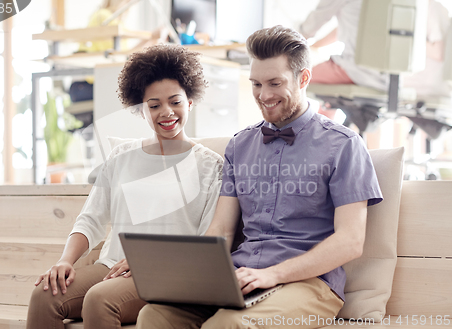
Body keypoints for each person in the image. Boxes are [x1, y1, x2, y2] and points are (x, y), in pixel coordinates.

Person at [136, 25, 383, 329]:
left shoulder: (344, 145)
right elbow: (222, 230)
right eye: (256, 84)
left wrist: (274, 274)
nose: (263, 96)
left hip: (310, 284)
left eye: (275, 83)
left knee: (226, 325)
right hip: (242, 276)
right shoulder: (240, 146)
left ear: (303, 78)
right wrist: (192, 274)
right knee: (154, 316)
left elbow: (350, 241)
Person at [26, 44, 223, 329]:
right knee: (44, 294)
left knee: (100, 299)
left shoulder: (211, 166)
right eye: (154, 105)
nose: (166, 112)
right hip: (110, 266)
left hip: (165, 273)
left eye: (175, 101)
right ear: (141, 111)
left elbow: (207, 240)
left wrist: (149, 260)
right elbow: (91, 219)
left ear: (190, 102)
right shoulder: (121, 157)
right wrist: (65, 260)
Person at [299, 0, 389, 91]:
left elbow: (312, 23)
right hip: (390, 79)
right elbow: (347, 28)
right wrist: (314, 46)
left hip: (355, 71)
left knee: (296, 77)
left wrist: (298, 36)